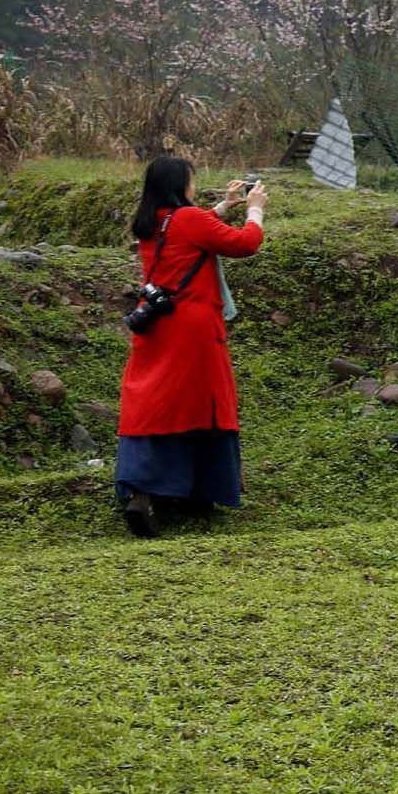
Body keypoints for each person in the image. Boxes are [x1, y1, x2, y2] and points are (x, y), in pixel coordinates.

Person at [115, 155, 267, 538]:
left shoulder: (150, 222)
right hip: (194, 328)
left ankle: (143, 486)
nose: (194, 187)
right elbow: (245, 244)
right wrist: (254, 211)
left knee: (155, 400)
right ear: (180, 184)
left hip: (154, 323)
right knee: (202, 403)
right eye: (191, 181)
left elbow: (184, 233)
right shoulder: (190, 221)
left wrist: (222, 207)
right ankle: (202, 488)